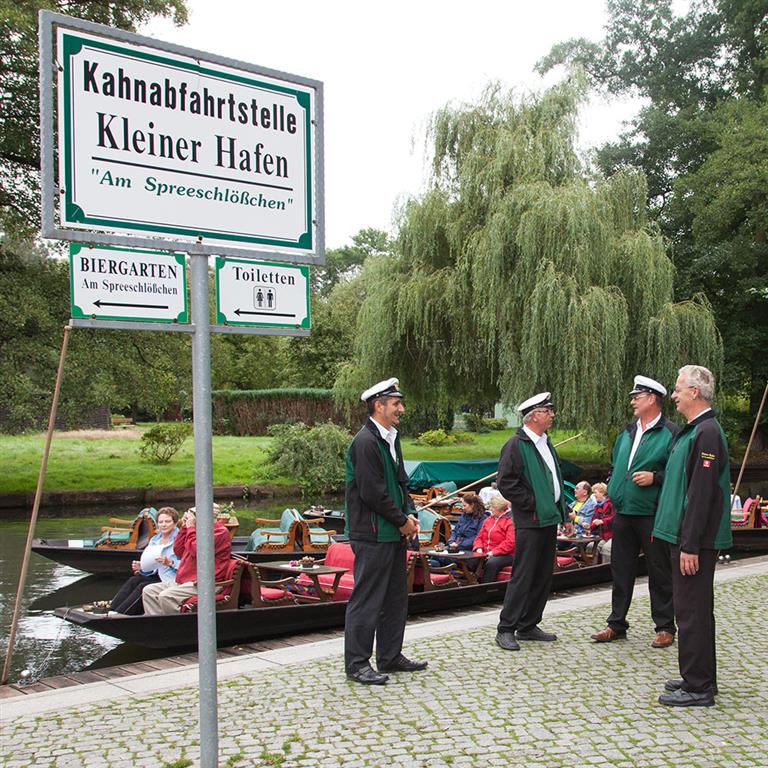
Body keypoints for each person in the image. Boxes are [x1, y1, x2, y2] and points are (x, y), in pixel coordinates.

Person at [655, 365, 732, 707]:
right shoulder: (695, 431)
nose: (673, 395)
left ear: (695, 393)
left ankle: (698, 686)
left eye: (677, 389)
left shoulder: (707, 433)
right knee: (693, 609)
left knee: (692, 612)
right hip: (685, 538)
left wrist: (689, 544)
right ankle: (698, 677)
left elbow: (702, 494)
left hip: (695, 542)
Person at [343, 377, 426, 685]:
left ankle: (390, 656)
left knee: (394, 598)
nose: (400, 409)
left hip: (392, 532)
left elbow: (401, 484)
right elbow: (371, 492)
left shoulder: (392, 437)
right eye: (395, 404)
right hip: (373, 533)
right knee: (367, 599)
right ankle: (357, 663)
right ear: (379, 406)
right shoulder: (365, 442)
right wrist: (401, 521)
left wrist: (411, 513)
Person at [590, 375, 679, 648]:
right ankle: (617, 623)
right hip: (624, 513)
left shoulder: (671, 433)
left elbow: (679, 472)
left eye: (636, 397)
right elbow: (617, 466)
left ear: (652, 399)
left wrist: (655, 478)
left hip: (651, 513)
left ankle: (665, 626)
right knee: (621, 570)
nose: (632, 401)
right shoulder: (627, 433)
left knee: (659, 570)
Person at [494, 392, 571, 651]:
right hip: (530, 519)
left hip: (549, 518)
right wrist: (533, 502)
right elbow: (506, 483)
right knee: (524, 574)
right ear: (534, 415)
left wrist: (564, 510)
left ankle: (528, 624)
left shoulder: (545, 443)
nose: (552, 414)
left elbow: (554, 480)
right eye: (547, 411)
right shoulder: (516, 445)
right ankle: (506, 627)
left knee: (542, 574)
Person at [142, 502, 232, 615]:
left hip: (205, 582)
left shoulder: (220, 532)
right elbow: (178, 550)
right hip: (186, 580)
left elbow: (198, 551)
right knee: (149, 591)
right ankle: (158, 623)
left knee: (166, 596)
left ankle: (179, 625)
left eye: (194, 515)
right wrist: (185, 527)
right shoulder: (198, 530)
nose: (192, 519)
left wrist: (190, 528)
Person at [110, 507, 180, 615]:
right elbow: (150, 566)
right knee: (134, 580)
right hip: (157, 574)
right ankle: (111, 609)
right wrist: (141, 566)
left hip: (171, 577)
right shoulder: (155, 539)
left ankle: (121, 614)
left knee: (143, 586)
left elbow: (187, 565)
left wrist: (170, 563)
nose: (164, 525)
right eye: (161, 522)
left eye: (167, 521)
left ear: (175, 523)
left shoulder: (180, 540)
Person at [472, 494, 515, 582]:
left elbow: (510, 543)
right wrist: (479, 548)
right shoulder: (488, 520)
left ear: (499, 509)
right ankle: (471, 584)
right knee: (471, 561)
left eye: (492, 507)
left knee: (492, 563)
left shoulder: (510, 521)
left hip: (507, 554)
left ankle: (487, 588)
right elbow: (479, 537)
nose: (490, 509)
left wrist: (493, 553)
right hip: (486, 552)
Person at [588, 483, 615, 562]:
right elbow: (594, 520)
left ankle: (606, 571)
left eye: (595, 492)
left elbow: (615, 518)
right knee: (590, 546)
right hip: (603, 536)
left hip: (613, 535)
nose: (593, 494)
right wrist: (589, 526)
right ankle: (592, 570)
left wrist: (602, 521)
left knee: (606, 549)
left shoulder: (612, 504)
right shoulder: (597, 506)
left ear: (602, 492)